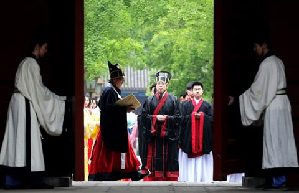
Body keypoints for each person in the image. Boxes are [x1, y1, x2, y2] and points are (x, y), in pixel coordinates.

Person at [228, 34, 298, 189]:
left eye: (256, 46)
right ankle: (280, 179)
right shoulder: (278, 61)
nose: (255, 50)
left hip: (274, 105)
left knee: (273, 142)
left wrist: (240, 99)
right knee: (281, 142)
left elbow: (259, 90)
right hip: (282, 104)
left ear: (263, 45)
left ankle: (275, 179)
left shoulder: (267, 63)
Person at [0, 32, 66, 189]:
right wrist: (58, 99)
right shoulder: (31, 64)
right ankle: (30, 178)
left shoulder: (24, 63)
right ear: (37, 47)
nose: (45, 51)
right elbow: (37, 91)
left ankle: (13, 178)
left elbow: (36, 89)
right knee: (27, 139)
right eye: (44, 48)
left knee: (17, 140)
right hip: (23, 104)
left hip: (18, 103)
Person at [88, 61, 148, 181]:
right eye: (121, 79)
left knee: (126, 151)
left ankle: (132, 172)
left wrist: (125, 109)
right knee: (110, 154)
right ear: (116, 79)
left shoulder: (113, 91)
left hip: (116, 128)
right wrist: (124, 108)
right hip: (110, 129)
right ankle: (109, 173)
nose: (122, 82)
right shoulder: (109, 91)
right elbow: (107, 108)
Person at [139, 71, 180, 181]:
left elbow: (178, 118)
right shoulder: (149, 100)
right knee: (153, 159)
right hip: (154, 136)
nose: (160, 86)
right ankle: (152, 177)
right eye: (158, 84)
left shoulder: (173, 100)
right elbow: (143, 117)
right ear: (156, 85)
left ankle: (168, 178)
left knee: (168, 158)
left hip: (168, 136)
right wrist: (154, 118)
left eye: (162, 83)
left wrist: (167, 119)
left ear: (167, 85)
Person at [178, 81, 213, 182]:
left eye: (199, 89)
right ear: (192, 92)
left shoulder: (207, 105)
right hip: (189, 137)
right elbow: (182, 120)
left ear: (202, 91)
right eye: (195, 89)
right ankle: (189, 178)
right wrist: (192, 116)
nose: (197, 91)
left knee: (203, 157)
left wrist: (203, 116)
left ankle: (204, 178)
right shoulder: (185, 105)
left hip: (203, 137)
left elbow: (212, 120)